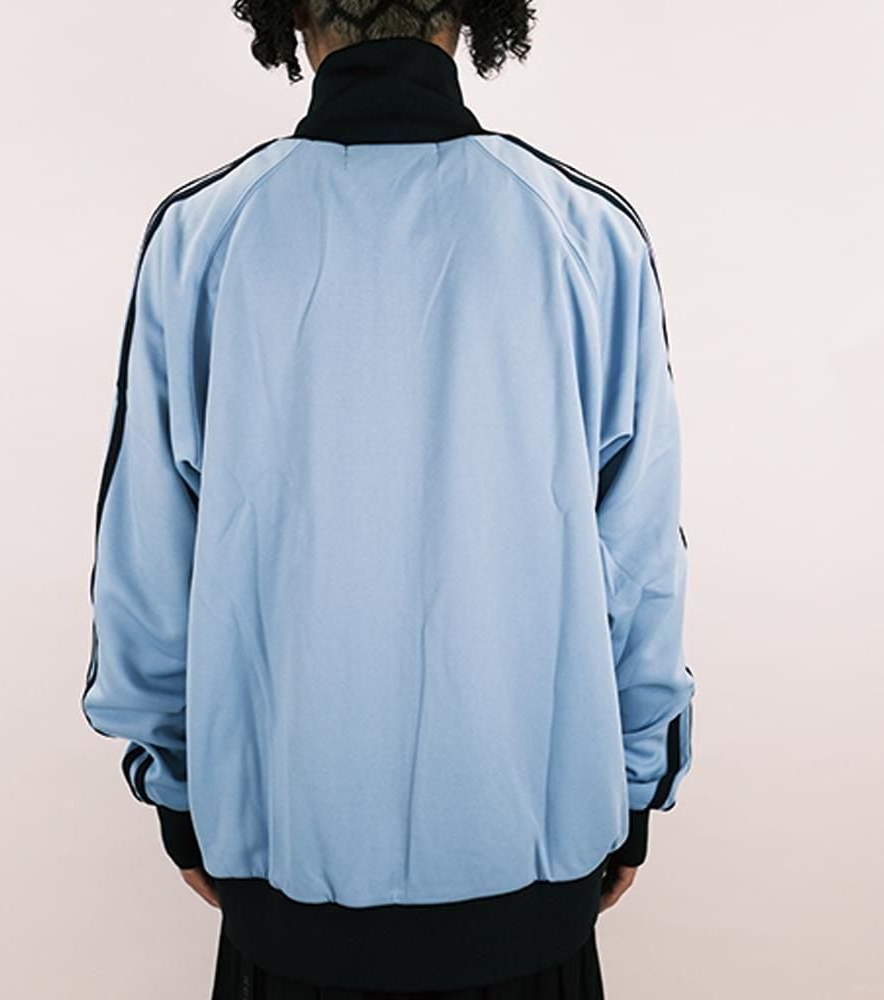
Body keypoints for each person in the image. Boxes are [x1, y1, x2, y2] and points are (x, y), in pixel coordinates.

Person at [81, 2, 697, 997]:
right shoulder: (587, 231)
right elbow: (640, 563)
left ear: (289, 13)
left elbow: (146, 564)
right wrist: (631, 796)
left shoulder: (202, 234)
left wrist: (182, 800)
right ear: (474, 14)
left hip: (283, 879)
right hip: (531, 880)